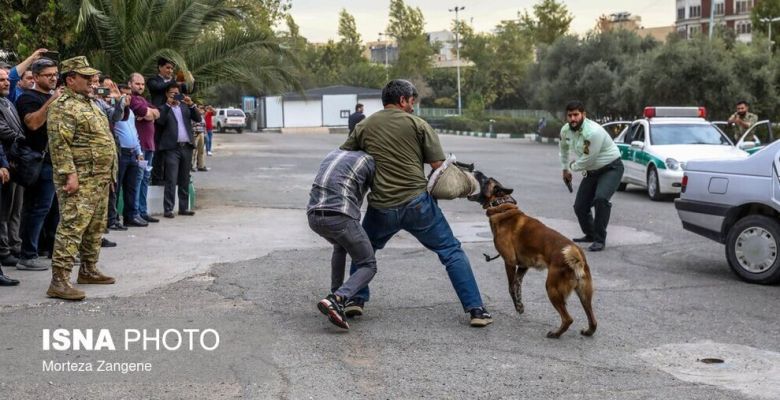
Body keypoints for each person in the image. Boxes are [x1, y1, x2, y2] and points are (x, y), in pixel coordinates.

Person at [341, 79, 492, 328]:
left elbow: (346, 157)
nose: (413, 107)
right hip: (418, 204)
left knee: (364, 251)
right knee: (451, 252)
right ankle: (476, 309)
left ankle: (355, 299)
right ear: (402, 100)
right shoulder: (418, 124)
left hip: (381, 206)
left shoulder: (365, 126)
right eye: (412, 102)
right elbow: (438, 168)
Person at [46, 56, 118, 300]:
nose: (91, 81)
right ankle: (59, 280)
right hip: (80, 178)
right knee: (72, 226)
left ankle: (88, 268)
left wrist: (109, 172)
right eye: (86, 77)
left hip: (98, 177)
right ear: (70, 79)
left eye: (91, 77)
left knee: (95, 226)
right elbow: (59, 145)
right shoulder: (63, 105)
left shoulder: (89, 103)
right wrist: (69, 175)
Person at [308, 149, 376, 330]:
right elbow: (378, 194)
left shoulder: (332, 153)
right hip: (340, 217)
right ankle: (337, 299)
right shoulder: (368, 160)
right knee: (368, 264)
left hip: (314, 216)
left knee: (340, 245)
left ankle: (334, 296)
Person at [15, 58, 62, 271]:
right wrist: (52, 101)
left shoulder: (55, 96)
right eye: (48, 75)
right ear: (35, 77)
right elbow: (33, 123)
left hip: (57, 161)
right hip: (39, 161)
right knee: (37, 208)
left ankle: (51, 250)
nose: (53, 78)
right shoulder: (27, 97)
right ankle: (27, 255)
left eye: (55, 74)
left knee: (54, 210)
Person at [559, 100, 624, 252]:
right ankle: (590, 233)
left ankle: (600, 239)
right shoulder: (565, 131)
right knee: (580, 207)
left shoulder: (594, 132)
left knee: (601, 199)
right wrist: (564, 169)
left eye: (576, 115)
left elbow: (589, 158)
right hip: (591, 171)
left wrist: (572, 167)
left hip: (611, 168)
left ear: (584, 115)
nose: (573, 119)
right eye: (570, 115)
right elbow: (564, 150)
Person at [154, 82, 200, 218]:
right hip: (171, 148)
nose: (175, 96)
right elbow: (160, 122)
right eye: (172, 93)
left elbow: (197, 118)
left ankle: (184, 208)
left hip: (186, 146)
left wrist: (191, 104)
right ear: (167, 94)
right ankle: (168, 208)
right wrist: (168, 105)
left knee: (184, 178)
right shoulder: (163, 108)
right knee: (171, 179)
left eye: (177, 93)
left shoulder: (185, 107)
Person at [127, 73, 160, 223]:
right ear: (130, 84)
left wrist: (150, 113)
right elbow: (145, 113)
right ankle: (135, 213)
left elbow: (156, 113)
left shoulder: (143, 99)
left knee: (145, 179)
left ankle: (143, 210)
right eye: (137, 84)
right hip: (139, 148)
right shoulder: (132, 99)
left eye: (142, 84)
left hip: (150, 146)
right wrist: (149, 113)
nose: (140, 86)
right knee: (138, 180)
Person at [114, 84, 147, 227]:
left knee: (131, 187)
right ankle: (114, 218)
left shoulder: (131, 113)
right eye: (124, 94)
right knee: (116, 186)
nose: (127, 97)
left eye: (129, 95)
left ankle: (131, 216)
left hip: (133, 152)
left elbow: (134, 133)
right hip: (121, 152)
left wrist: (139, 151)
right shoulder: (115, 111)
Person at [0, 69, 19, 286]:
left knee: (7, 212)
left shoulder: (8, 103)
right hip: (7, 162)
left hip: (10, 163)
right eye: (2, 80)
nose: (6, 83)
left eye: (7, 79)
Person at [191, 106, 208, 172]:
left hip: (201, 134)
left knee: (201, 151)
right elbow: (191, 125)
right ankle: (192, 165)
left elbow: (204, 126)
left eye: (202, 109)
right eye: (200, 108)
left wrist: (205, 134)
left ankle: (201, 165)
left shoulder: (202, 117)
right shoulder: (193, 116)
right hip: (195, 134)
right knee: (194, 151)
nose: (201, 110)